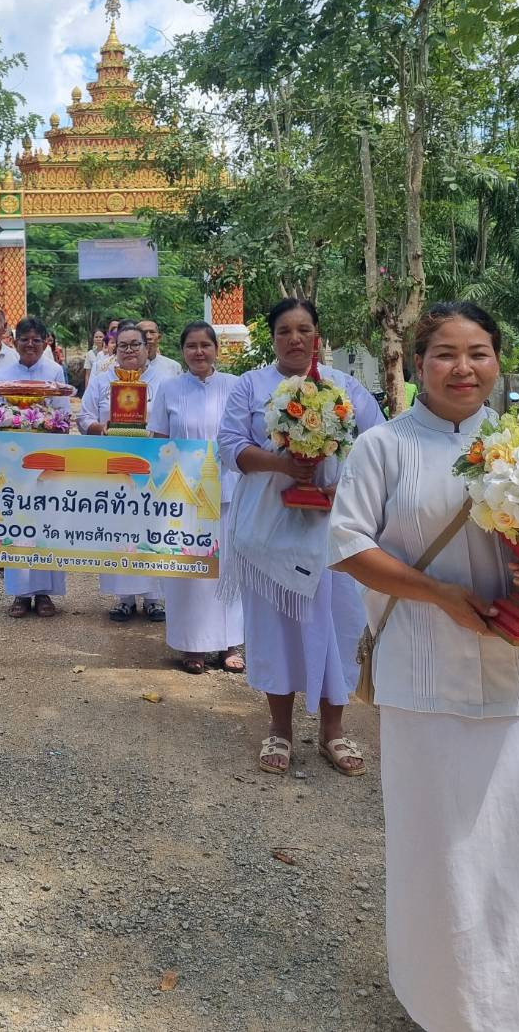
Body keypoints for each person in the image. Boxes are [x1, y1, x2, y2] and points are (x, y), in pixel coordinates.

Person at [328, 301, 519, 1032]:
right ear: (417, 363)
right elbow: (349, 544)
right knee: (441, 853)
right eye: (445, 352)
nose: (463, 367)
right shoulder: (381, 446)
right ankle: (447, 1005)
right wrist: (437, 593)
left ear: (497, 359)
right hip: (426, 676)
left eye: (478, 351)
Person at [218, 298, 383, 776]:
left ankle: (334, 731)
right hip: (270, 529)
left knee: (340, 624)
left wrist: (342, 486)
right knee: (276, 628)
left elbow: (378, 446)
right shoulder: (251, 385)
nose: (295, 338)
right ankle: (280, 729)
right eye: (285, 330)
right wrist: (282, 464)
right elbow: (229, 446)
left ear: (318, 336)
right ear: (272, 339)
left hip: (334, 528)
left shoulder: (346, 388)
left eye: (304, 329)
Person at [149, 322, 244, 674]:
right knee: (190, 567)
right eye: (191, 346)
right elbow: (158, 440)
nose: (199, 352)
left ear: (216, 349)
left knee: (227, 568)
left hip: (228, 490)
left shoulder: (235, 387)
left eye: (205, 345)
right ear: (183, 350)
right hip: (184, 494)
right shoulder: (169, 389)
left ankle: (230, 642)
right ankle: (193, 646)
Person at [78, 320, 166, 621]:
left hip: (152, 468)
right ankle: (124, 598)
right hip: (114, 468)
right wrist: (100, 428)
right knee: (119, 531)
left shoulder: (163, 380)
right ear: (115, 348)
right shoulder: (102, 381)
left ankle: (155, 598)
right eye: (123, 345)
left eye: (136, 345)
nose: (129, 350)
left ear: (147, 346)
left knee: (152, 530)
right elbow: (83, 417)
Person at [0, 315, 71, 617]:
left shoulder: (55, 371)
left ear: (45, 343)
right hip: (13, 462)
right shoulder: (2, 372)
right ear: (14, 341)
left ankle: (44, 594)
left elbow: (63, 416)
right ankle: (19, 594)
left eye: (36, 340)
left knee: (46, 524)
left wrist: (45, 425)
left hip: (46, 460)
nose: (30, 345)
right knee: (16, 523)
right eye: (24, 339)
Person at [137, 318, 181, 386]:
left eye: (152, 332)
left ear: (159, 337)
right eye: (144, 333)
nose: (148, 337)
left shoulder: (174, 366)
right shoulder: (127, 366)